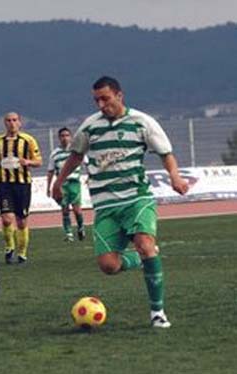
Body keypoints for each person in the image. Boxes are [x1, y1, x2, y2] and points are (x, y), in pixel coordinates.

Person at [52, 76, 189, 328]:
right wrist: (58, 182)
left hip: (136, 198)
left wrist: (175, 177)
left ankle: (157, 313)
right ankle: (143, 258)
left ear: (119, 95)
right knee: (108, 266)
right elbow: (75, 156)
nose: (101, 104)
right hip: (105, 206)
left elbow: (165, 153)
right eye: (96, 100)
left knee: (145, 244)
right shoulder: (90, 127)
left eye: (105, 98)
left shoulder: (142, 122)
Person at [0, 112, 42, 264]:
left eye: (15, 120)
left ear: (20, 123)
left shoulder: (28, 140)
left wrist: (27, 162)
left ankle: (22, 253)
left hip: (22, 185)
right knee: (7, 218)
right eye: (8, 120)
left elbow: (38, 161)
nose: (12, 123)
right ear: (4, 123)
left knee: (21, 221)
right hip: (5, 184)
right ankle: (9, 247)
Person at [47, 127, 86, 242]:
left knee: (77, 210)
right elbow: (50, 171)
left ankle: (80, 227)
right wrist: (49, 186)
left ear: (71, 137)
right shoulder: (55, 153)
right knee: (64, 209)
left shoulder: (76, 151)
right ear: (59, 138)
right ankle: (69, 234)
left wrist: (90, 176)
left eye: (67, 135)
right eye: (62, 136)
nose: (65, 138)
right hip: (62, 184)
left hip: (74, 183)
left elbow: (87, 162)